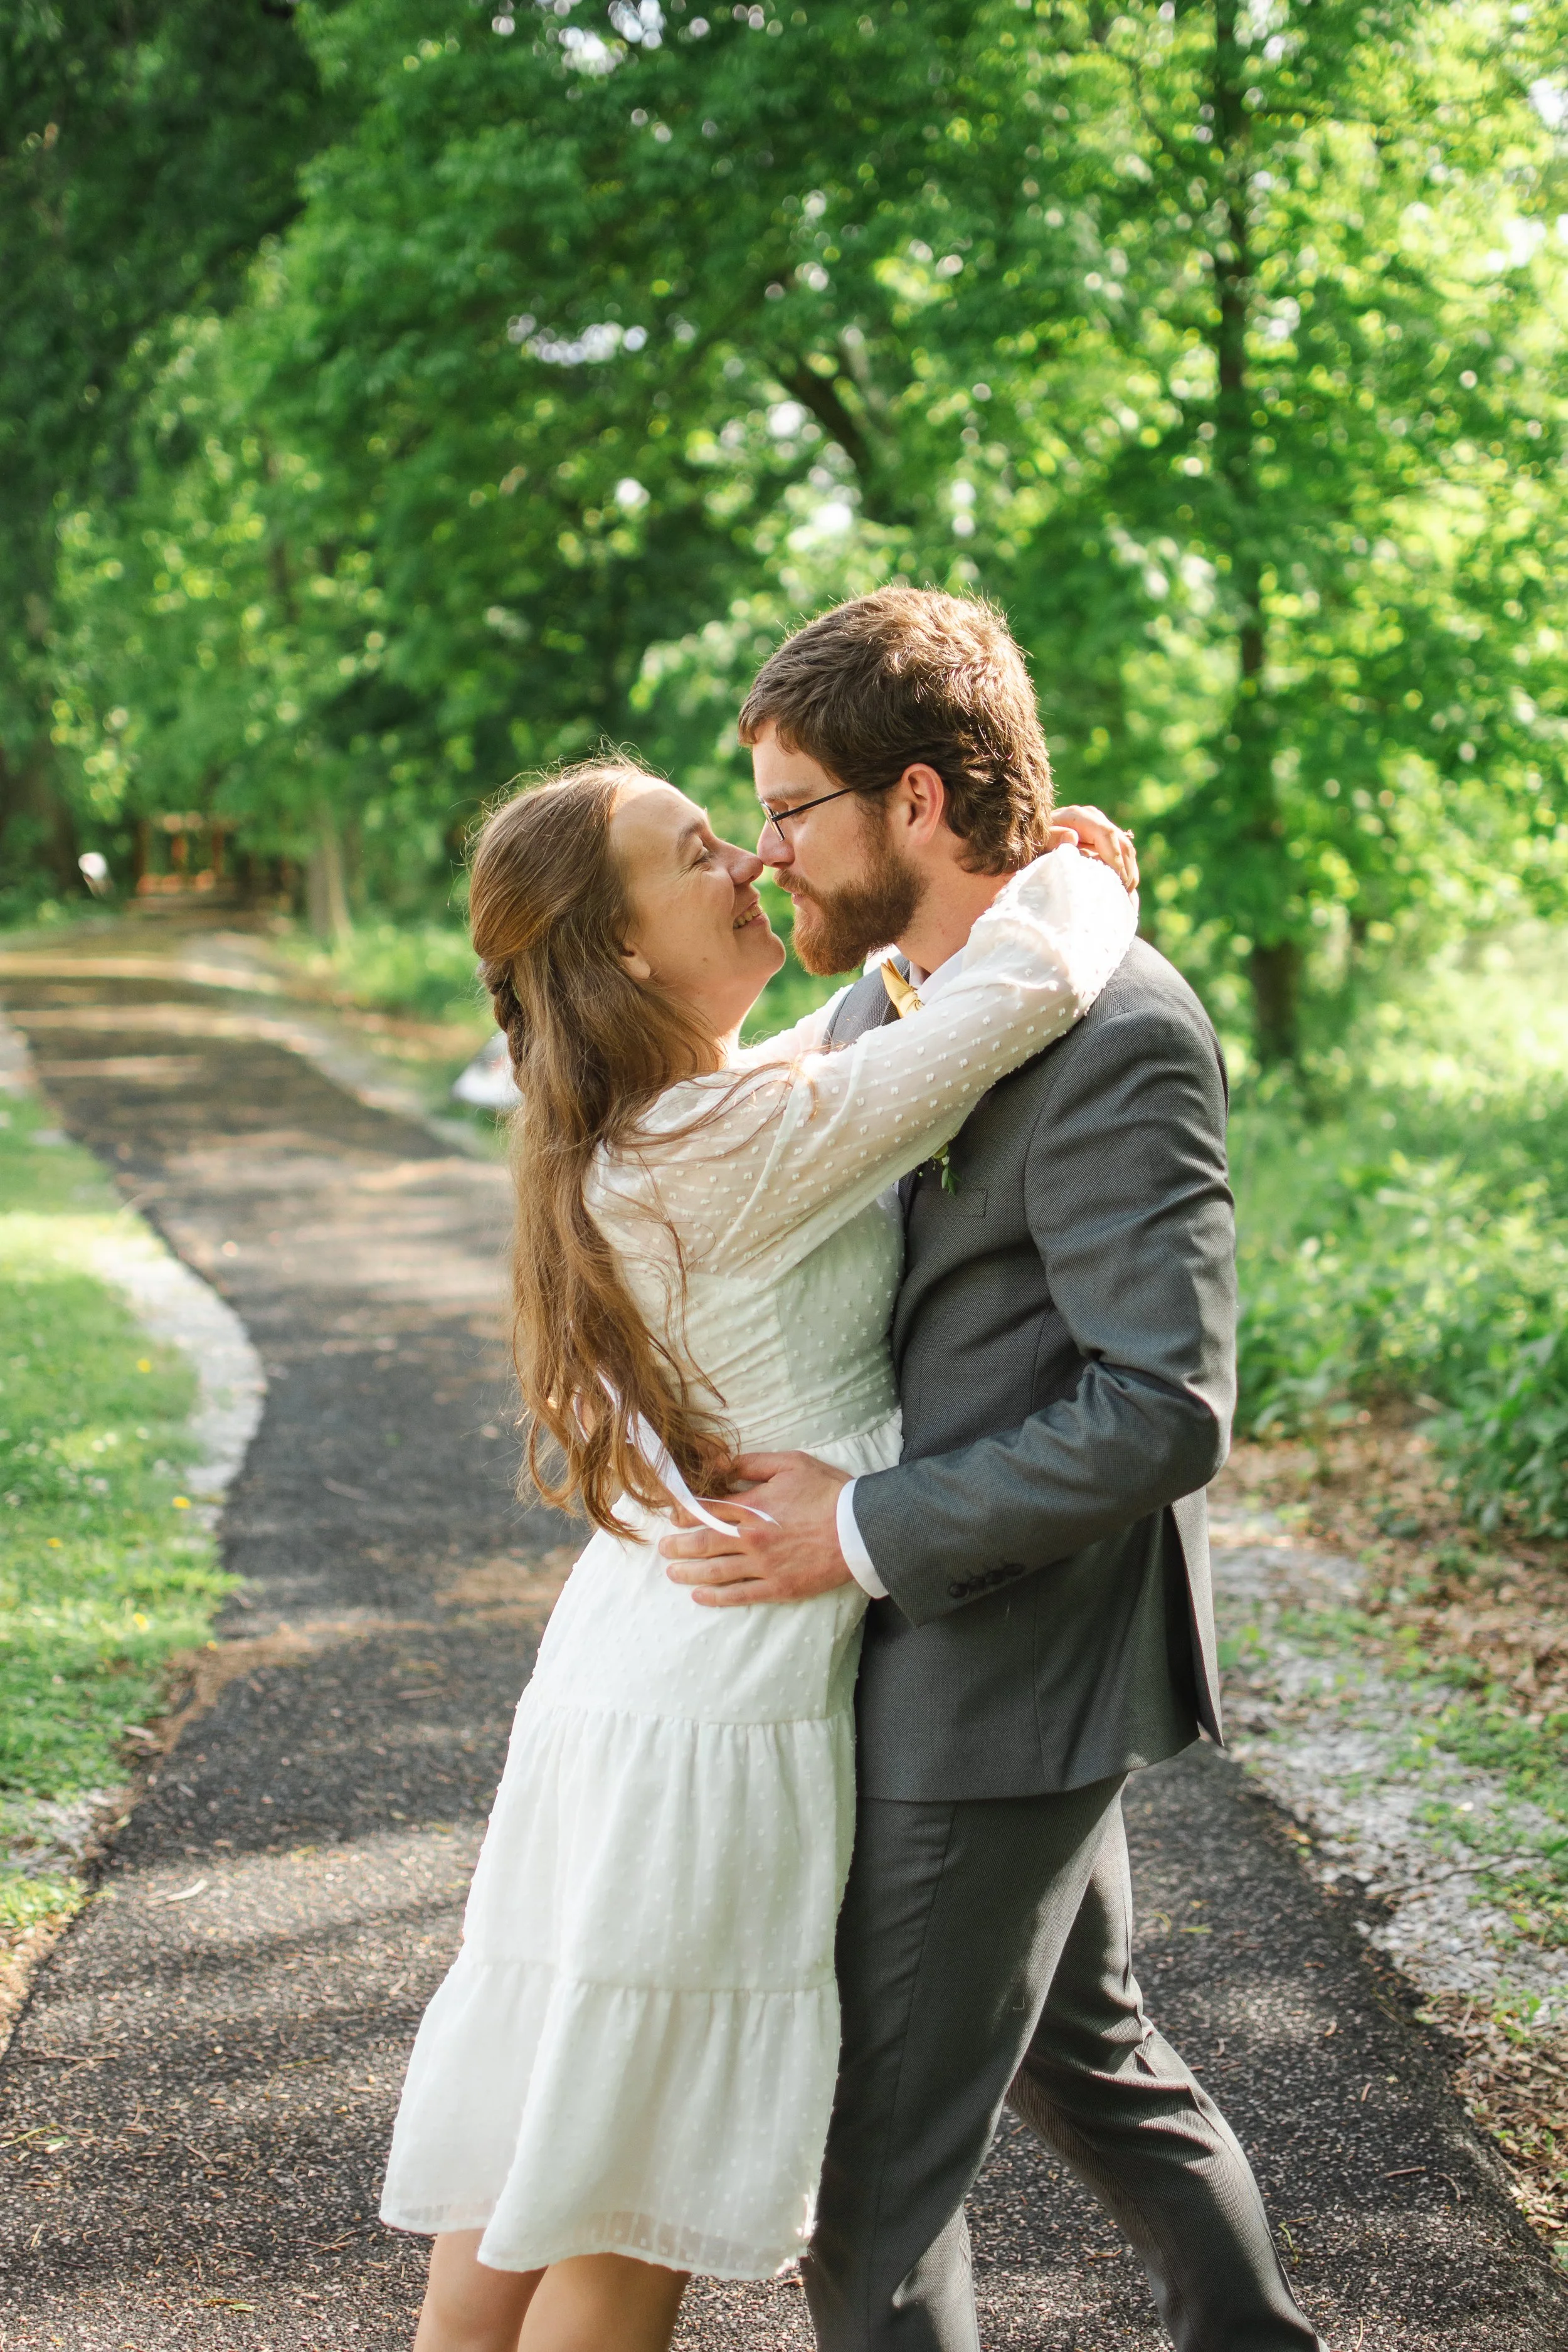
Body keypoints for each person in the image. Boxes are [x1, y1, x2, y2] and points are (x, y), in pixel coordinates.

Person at [378, 727, 1138, 2351]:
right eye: (698, 848)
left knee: (533, 2152)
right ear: (620, 946)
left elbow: (854, 1035)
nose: (749, 863)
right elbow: (1007, 1005)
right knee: (611, 2197)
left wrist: (968, 913)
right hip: (712, 1702)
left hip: (626, 1678)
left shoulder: (660, 1117)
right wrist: (1069, 883)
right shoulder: (718, 1145)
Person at [660, 586, 1326, 2351]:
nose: (760, 860)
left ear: (918, 806)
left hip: (995, 1665)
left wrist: (856, 1527)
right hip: (933, 1646)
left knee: (865, 2178)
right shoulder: (904, 1002)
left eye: (790, 809)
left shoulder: (1121, 1034)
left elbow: (1164, 1402)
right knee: (1088, 2060)